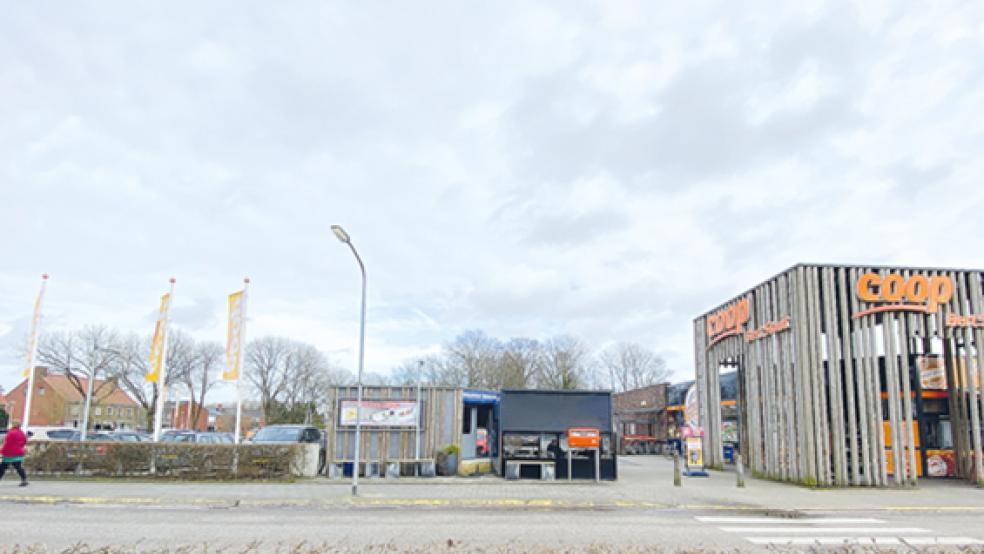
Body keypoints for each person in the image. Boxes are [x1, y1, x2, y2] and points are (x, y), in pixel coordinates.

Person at [0, 420, 29, 487]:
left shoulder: (11, 433)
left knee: (2, 467)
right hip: (18, 452)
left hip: (9, 453)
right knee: (18, 467)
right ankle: (24, 479)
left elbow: (7, 444)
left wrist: (1, 451)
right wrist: (20, 447)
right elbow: (24, 441)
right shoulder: (21, 433)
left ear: (13, 425)